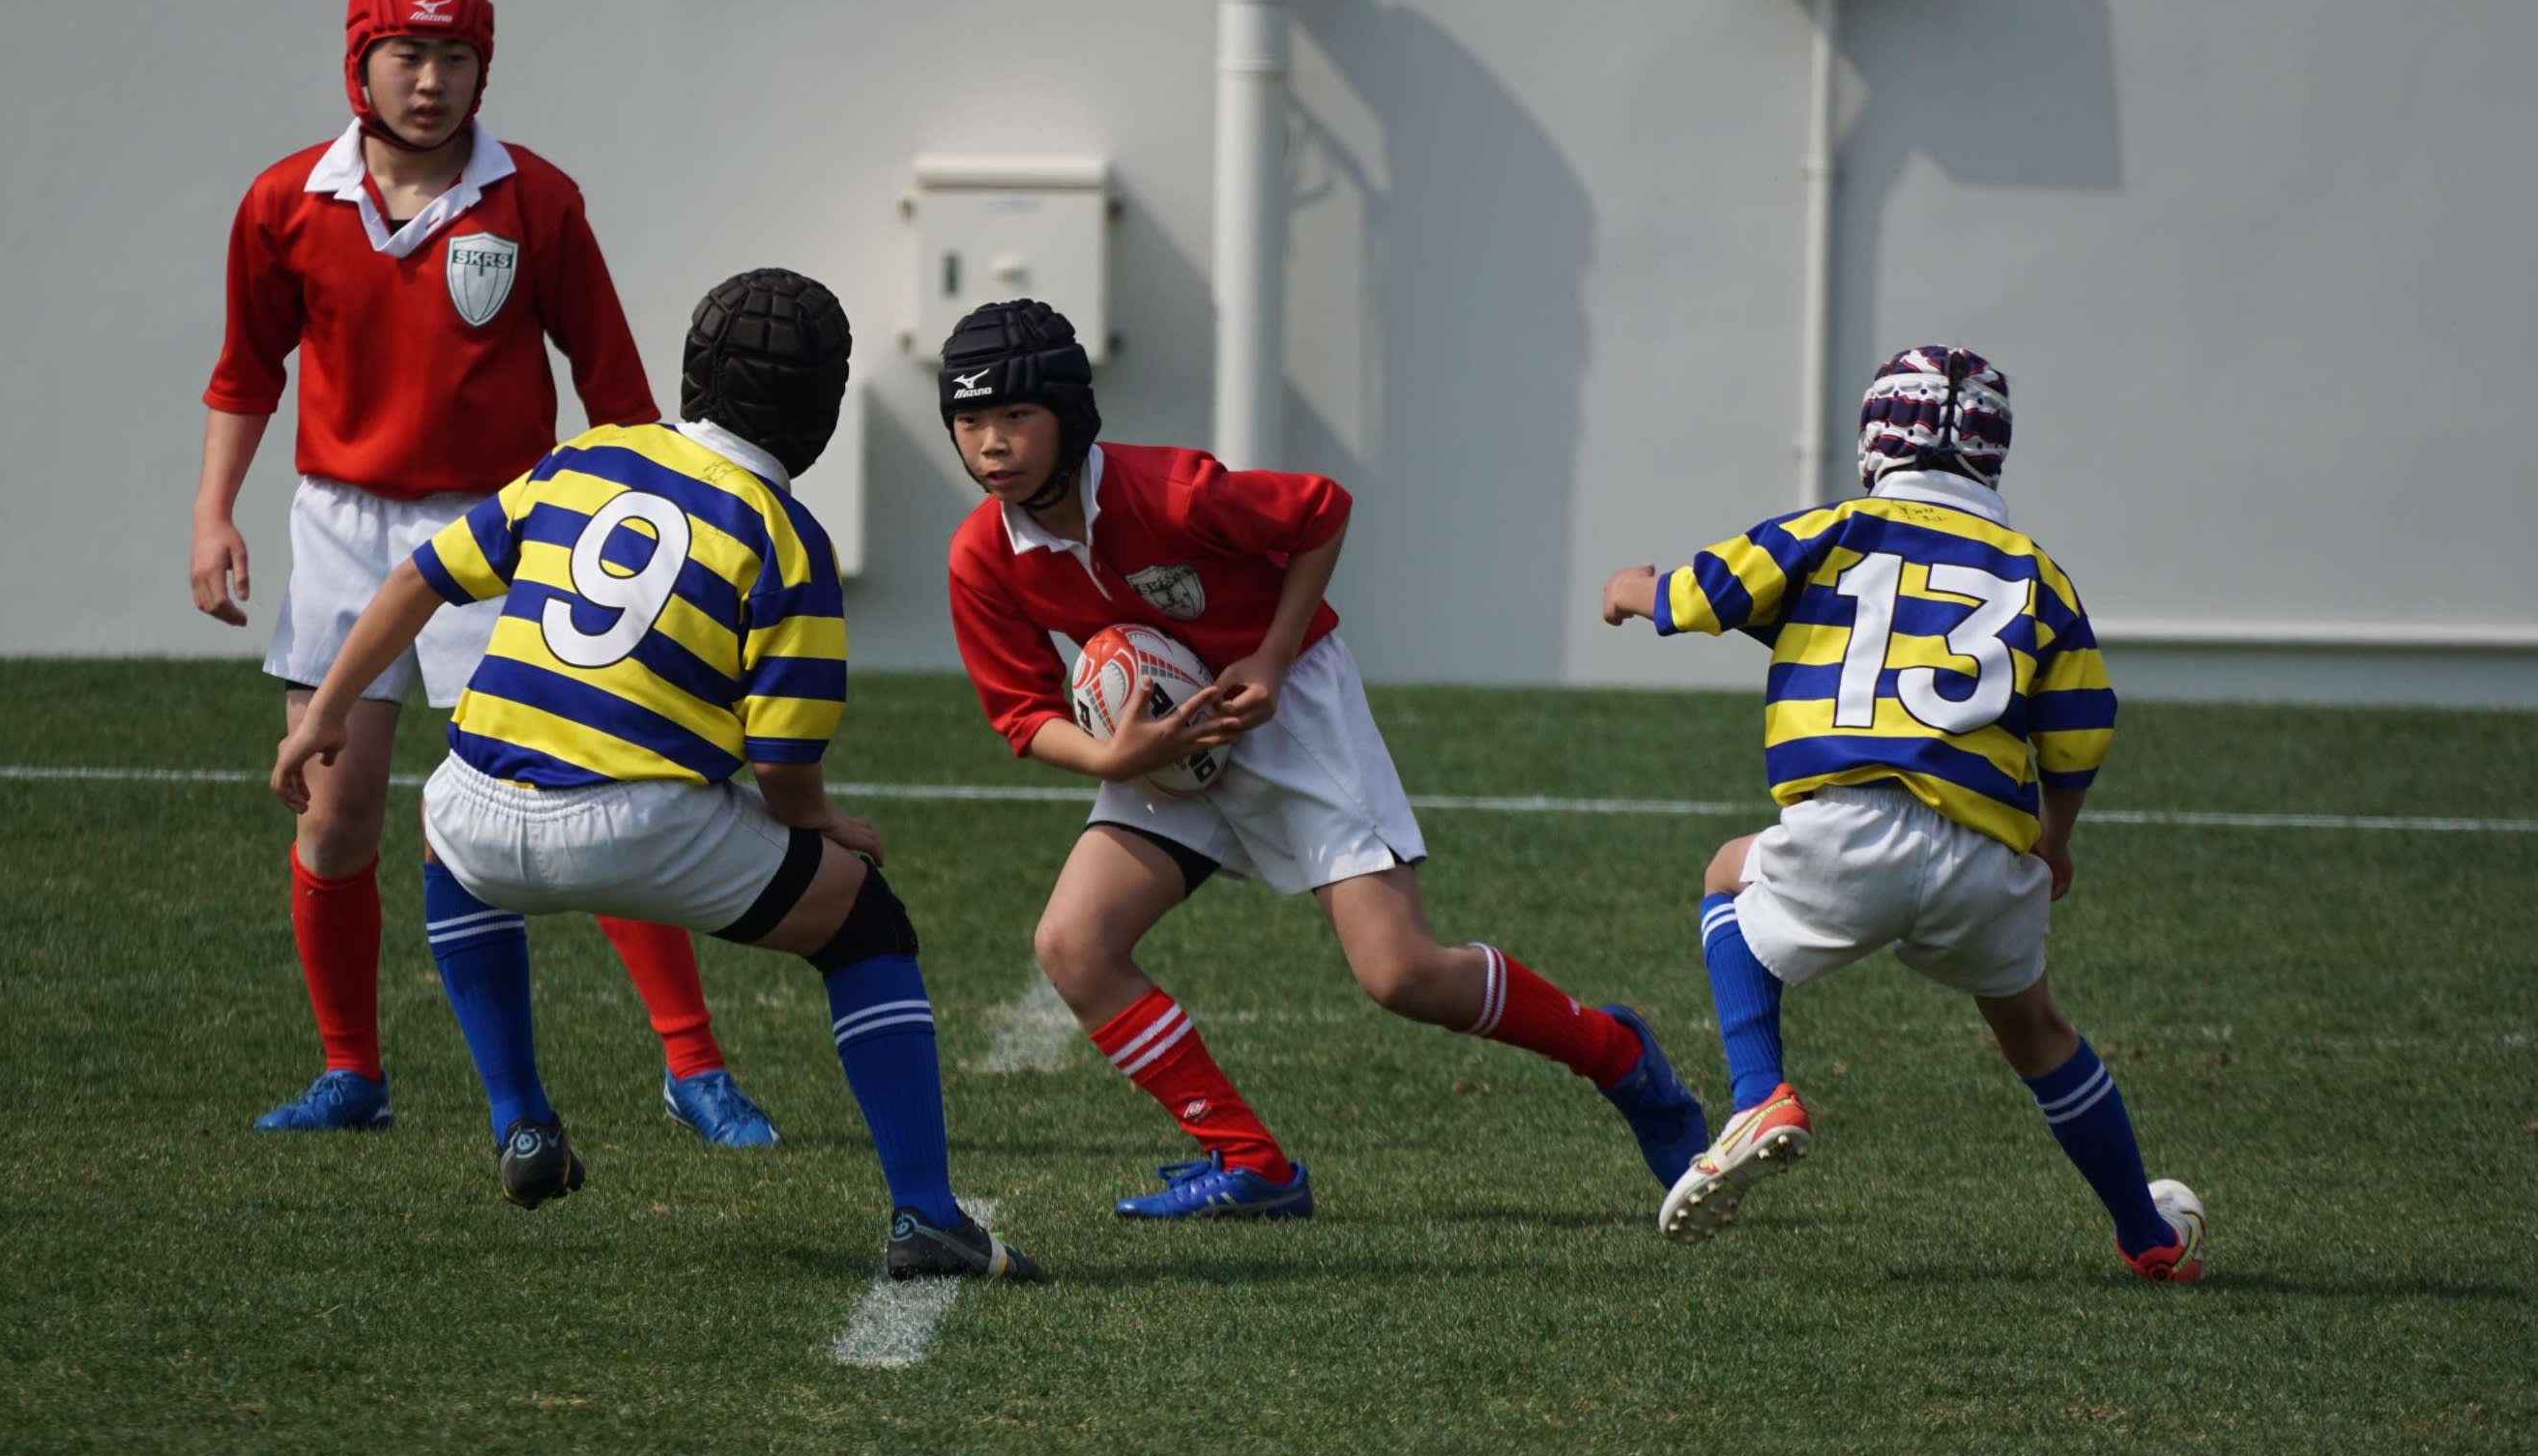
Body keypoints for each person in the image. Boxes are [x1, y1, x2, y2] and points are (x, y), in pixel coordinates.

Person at [270, 270, 1042, 1283]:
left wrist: (325, 709)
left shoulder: (585, 457)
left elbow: (419, 575)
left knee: (444, 836)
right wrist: (825, 824)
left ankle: (521, 1120)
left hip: (481, 812)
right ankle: (928, 1216)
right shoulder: (782, 531)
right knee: (867, 926)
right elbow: (783, 758)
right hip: (643, 826)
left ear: (696, 373)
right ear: (817, 407)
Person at [939, 299, 1708, 1221]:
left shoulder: (1172, 491)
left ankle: (1618, 1056)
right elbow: (1021, 714)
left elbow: (1320, 513)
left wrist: (1268, 655)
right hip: (1164, 743)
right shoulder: (981, 555)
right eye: (969, 421)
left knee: (1402, 975)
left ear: (1069, 412)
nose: (991, 443)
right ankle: (1250, 1162)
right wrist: (1118, 753)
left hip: (1291, 707)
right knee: (1073, 945)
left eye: (1015, 416)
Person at [193, 0, 774, 1146]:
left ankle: (694, 1066)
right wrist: (215, 514)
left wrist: (656, 531)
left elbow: (613, 383)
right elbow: (248, 371)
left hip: (514, 529)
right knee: (336, 812)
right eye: (407, 52)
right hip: (342, 528)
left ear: (483, 66)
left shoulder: (539, 201)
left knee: (590, 795)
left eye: (456, 55)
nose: (431, 80)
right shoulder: (282, 201)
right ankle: (353, 1072)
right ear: (360, 61)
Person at [1601, 345, 2204, 1280]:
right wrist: (2055, 844)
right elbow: (2082, 730)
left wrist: (1631, 591)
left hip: (1846, 827)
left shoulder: (1831, 527)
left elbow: (1702, 593)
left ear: (1874, 441)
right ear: (1994, 456)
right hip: (1984, 852)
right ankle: (2146, 1234)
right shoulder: (2034, 571)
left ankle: (1759, 1094)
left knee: (1727, 874)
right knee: (2035, 1027)